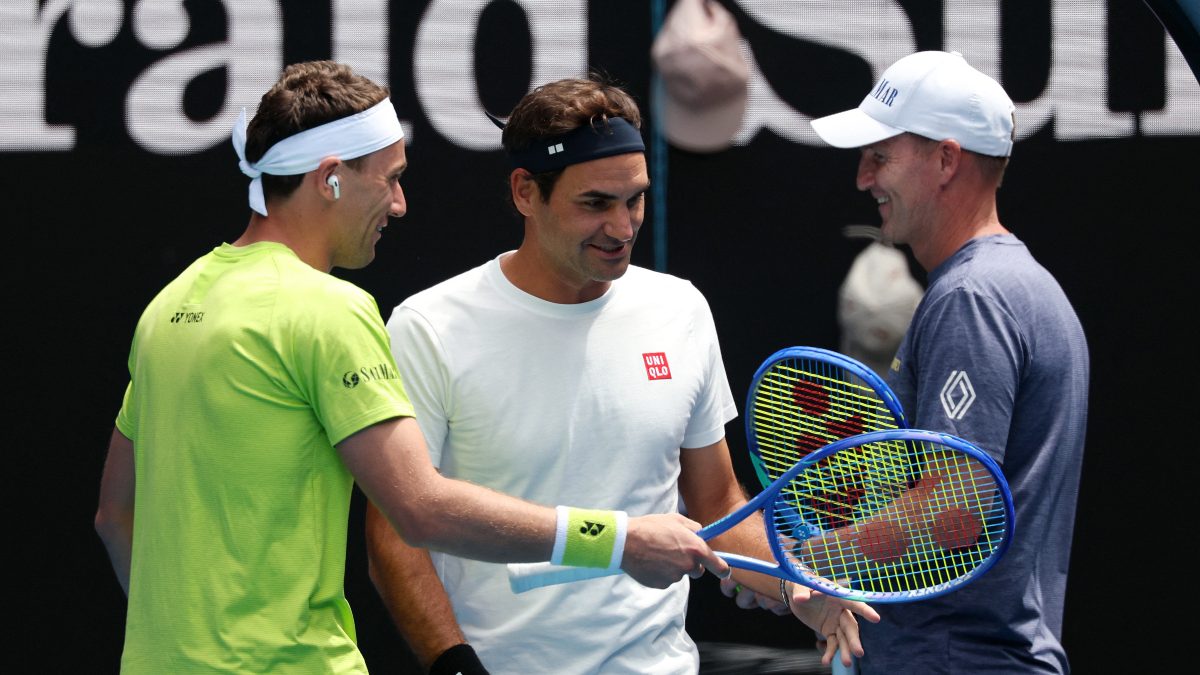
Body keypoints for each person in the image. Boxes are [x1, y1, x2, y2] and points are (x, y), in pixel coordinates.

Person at [93, 61, 734, 674]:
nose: (399, 205)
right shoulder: (330, 309)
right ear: (331, 178)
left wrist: (189, 641)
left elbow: (113, 516)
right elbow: (419, 511)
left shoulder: (172, 304)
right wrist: (619, 539)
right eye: (390, 178)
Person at [363, 75, 880, 675]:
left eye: (634, 199)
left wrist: (795, 586)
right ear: (525, 192)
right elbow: (396, 538)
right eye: (595, 203)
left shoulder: (680, 310)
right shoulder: (429, 327)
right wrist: (455, 665)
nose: (623, 226)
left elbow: (715, 504)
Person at [806, 50, 1090, 673]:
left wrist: (805, 560)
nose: (862, 178)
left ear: (945, 160)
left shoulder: (972, 297)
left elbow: (953, 508)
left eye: (879, 156)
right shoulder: (1020, 285)